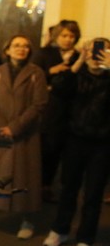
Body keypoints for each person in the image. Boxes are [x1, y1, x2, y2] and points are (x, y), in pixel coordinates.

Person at [42, 38, 110, 246]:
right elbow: (59, 88)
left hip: (102, 144)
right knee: (68, 188)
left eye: (101, 51)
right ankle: (60, 230)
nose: (95, 55)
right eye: (91, 51)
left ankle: (85, 240)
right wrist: (79, 61)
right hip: (74, 139)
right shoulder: (76, 75)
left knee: (93, 193)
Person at [0, 35, 48, 236]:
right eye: (16, 45)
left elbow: (39, 104)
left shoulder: (36, 73)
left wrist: (16, 127)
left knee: (25, 178)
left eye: (25, 46)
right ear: (8, 49)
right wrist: (2, 125)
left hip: (25, 134)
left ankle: (27, 219)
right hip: (0, 132)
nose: (21, 49)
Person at [34, 19, 81, 201]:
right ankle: (38, 185)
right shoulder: (45, 54)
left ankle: (49, 186)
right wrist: (52, 71)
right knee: (45, 148)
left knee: (60, 151)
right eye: (64, 35)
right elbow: (34, 76)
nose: (68, 39)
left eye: (72, 36)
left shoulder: (78, 56)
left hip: (70, 109)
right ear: (56, 36)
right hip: (49, 109)